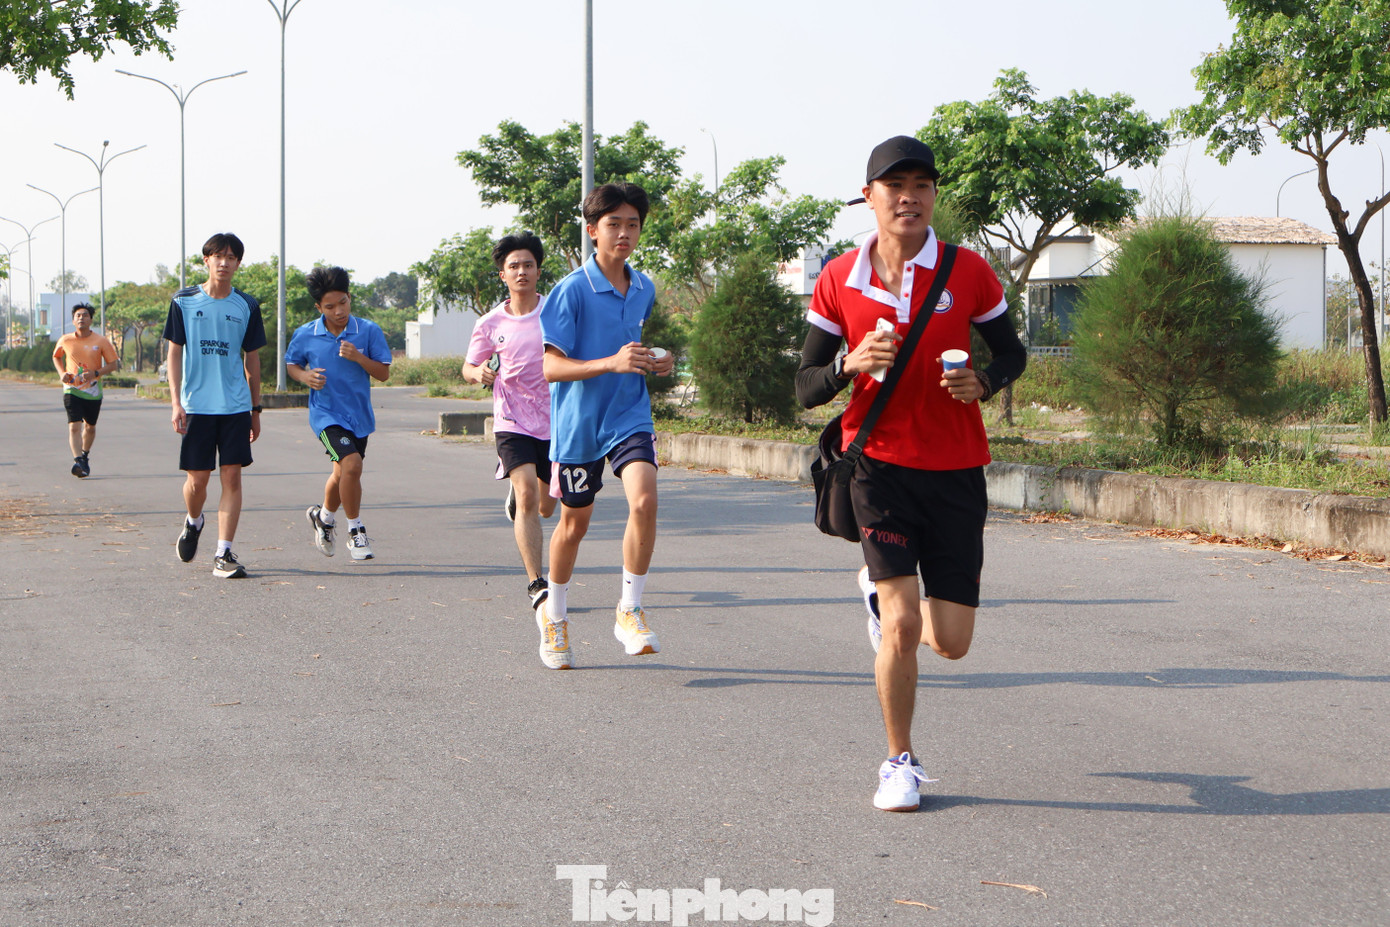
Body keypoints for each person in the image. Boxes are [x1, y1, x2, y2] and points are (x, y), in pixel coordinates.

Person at [795, 136, 1027, 812]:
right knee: (900, 626)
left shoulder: (968, 270)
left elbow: (1013, 354)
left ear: (933, 196)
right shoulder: (840, 278)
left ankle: (879, 592)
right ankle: (899, 761)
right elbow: (806, 386)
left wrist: (983, 382)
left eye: (922, 184)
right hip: (879, 469)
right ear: (868, 197)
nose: (909, 196)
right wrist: (849, 362)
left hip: (956, 471)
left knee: (949, 641)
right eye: (894, 186)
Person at [537, 182, 675, 670]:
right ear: (592, 230)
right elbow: (551, 368)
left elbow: (631, 348)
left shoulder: (644, 287)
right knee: (574, 525)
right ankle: (554, 616)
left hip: (628, 414)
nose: (624, 233)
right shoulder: (570, 290)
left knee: (645, 499)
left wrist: (658, 359)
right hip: (578, 425)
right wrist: (611, 363)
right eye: (613, 224)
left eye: (632, 224)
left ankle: (629, 610)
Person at [462, 233, 558, 646]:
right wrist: (479, 373)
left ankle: (522, 502)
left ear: (538, 270)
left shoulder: (555, 312)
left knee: (549, 506)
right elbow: (468, 366)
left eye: (528, 265)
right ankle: (537, 582)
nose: (522, 272)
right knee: (528, 494)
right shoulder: (489, 323)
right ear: (503, 274)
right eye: (514, 266)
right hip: (512, 420)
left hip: (556, 422)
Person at [164, 232, 267, 579]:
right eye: (217, 256)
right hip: (196, 406)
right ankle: (194, 522)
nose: (224, 263)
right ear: (206, 260)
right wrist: (176, 402)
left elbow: (252, 360)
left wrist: (256, 409)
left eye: (231, 257)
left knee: (232, 477)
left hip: (235, 406)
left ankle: (224, 553)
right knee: (197, 482)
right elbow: (174, 352)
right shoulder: (184, 301)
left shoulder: (247, 306)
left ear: (238, 263)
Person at [286, 266, 392, 561]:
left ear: (349, 297)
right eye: (329, 306)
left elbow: (382, 374)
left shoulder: (368, 331)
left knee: (342, 471)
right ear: (319, 307)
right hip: (325, 414)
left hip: (358, 417)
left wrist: (359, 357)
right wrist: (305, 377)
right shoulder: (306, 334)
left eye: (342, 302)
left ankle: (324, 517)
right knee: (352, 465)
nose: (338, 311)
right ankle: (356, 531)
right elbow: (292, 365)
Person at [51, 302, 119, 478]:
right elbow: (56, 356)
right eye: (78, 316)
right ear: (73, 320)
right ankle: (77, 460)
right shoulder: (65, 340)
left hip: (92, 391)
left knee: (90, 427)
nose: (81, 318)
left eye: (85, 315)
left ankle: (85, 456)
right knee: (74, 426)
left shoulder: (101, 341)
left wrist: (96, 373)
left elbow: (113, 365)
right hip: (71, 388)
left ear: (91, 319)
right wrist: (62, 373)